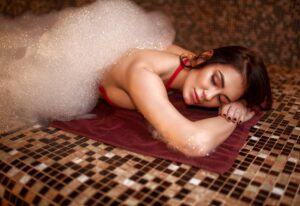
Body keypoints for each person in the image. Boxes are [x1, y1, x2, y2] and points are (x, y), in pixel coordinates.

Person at [98, 45, 272, 157]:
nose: (208, 96)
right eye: (214, 80)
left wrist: (239, 103)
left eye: (221, 99)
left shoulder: (189, 60)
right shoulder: (143, 71)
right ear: (204, 57)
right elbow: (194, 143)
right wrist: (232, 118)